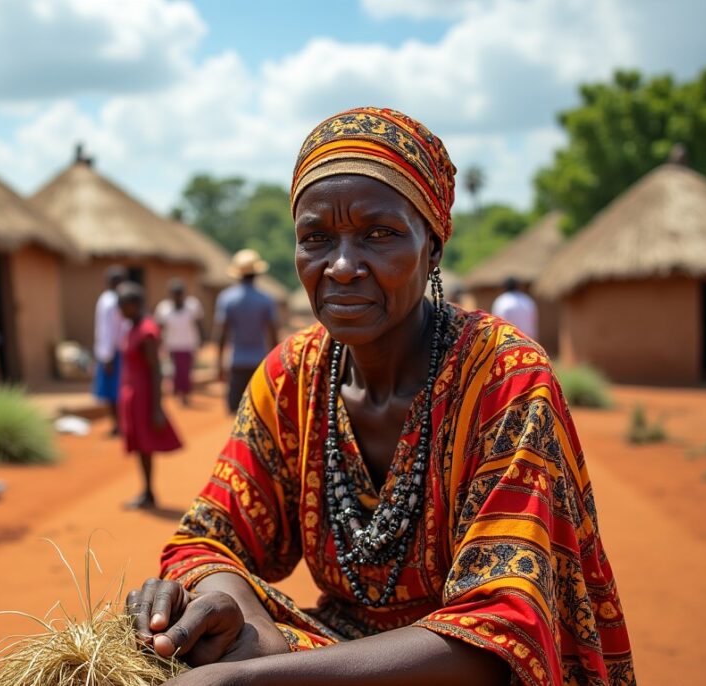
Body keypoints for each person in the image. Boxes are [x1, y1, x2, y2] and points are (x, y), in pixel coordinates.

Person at [126, 107, 634, 686]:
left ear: (433, 248)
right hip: (335, 660)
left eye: (380, 235)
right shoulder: (293, 376)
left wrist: (256, 678)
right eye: (316, 238)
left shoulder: (504, 377)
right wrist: (232, 611)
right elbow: (208, 539)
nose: (341, 267)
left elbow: (501, 631)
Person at [116, 282, 183, 510]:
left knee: (146, 445)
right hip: (132, 393)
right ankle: (146, 491)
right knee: (140, 446)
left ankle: (148, 492)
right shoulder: (132, 328)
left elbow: (155, 370)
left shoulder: (146, 331)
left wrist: (157, 407)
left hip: (144, 395)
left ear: (134, 305)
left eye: (123, 306)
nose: (120, 311)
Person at [215, 249, 279, 414]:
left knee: (235, 412)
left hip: (236, 362)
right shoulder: (266, 300)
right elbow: (273, 334)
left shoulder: (227, 299)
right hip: (259, 362)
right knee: (258, 410)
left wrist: (219, 365)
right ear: (257, 274)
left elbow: (221, 334)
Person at [154, 279, 205, 406]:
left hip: (188, 345)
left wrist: (203, 338)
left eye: (179, 293)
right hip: (171, 346)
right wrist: (158, 343)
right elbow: (159, 327)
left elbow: (199, 323)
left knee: (186, 372)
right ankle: (178, 393)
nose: (177, 296)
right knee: (174, 372)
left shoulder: (193, 306)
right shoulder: (163, 309)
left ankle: (185, 394)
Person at [94, 266, 129, 436]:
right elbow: (104, 330)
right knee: (110, 392)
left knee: (117, 392)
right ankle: (117, 425)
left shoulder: (115, 301)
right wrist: (105, 354)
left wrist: (107, 355)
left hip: (113, 352)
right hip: (108, 352)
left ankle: (120, 425)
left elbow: (113, 331)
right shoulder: (108, 300)